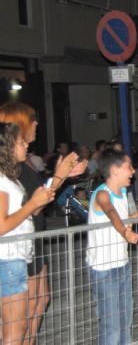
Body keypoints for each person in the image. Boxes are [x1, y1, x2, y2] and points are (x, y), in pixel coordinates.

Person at [0, 102, 86, 345]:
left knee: (40, 300)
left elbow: (37, 197)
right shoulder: (8, 167)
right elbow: (33, 201)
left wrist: (62, 176)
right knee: (19, 319)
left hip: (30, 238)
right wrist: (59, 175)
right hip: (12, 248)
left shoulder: (20, 162)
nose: (37, 123)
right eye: (32, 119)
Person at [86, 149, 138, 345]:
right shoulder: (102, 195)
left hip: (122, 264)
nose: (133, 171)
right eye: (129, 167)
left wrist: (137, 215)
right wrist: (125, 232)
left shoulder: (123, 192)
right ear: (115, 170)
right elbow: (111, 213)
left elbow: (122, 216)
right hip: (103, 268)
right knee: (111, 324)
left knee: (126, 319)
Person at [0, 122, 55, 344]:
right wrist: (32, 204)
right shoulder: (2, 180)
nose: (26, 146)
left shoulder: (11, 177)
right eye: (21, 143)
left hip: (17, 258)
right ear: (8, 147)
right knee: (16, 331)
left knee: (12, 329)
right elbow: (2, 226)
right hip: (9, 258)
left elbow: (27, 212)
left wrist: (38, 201)